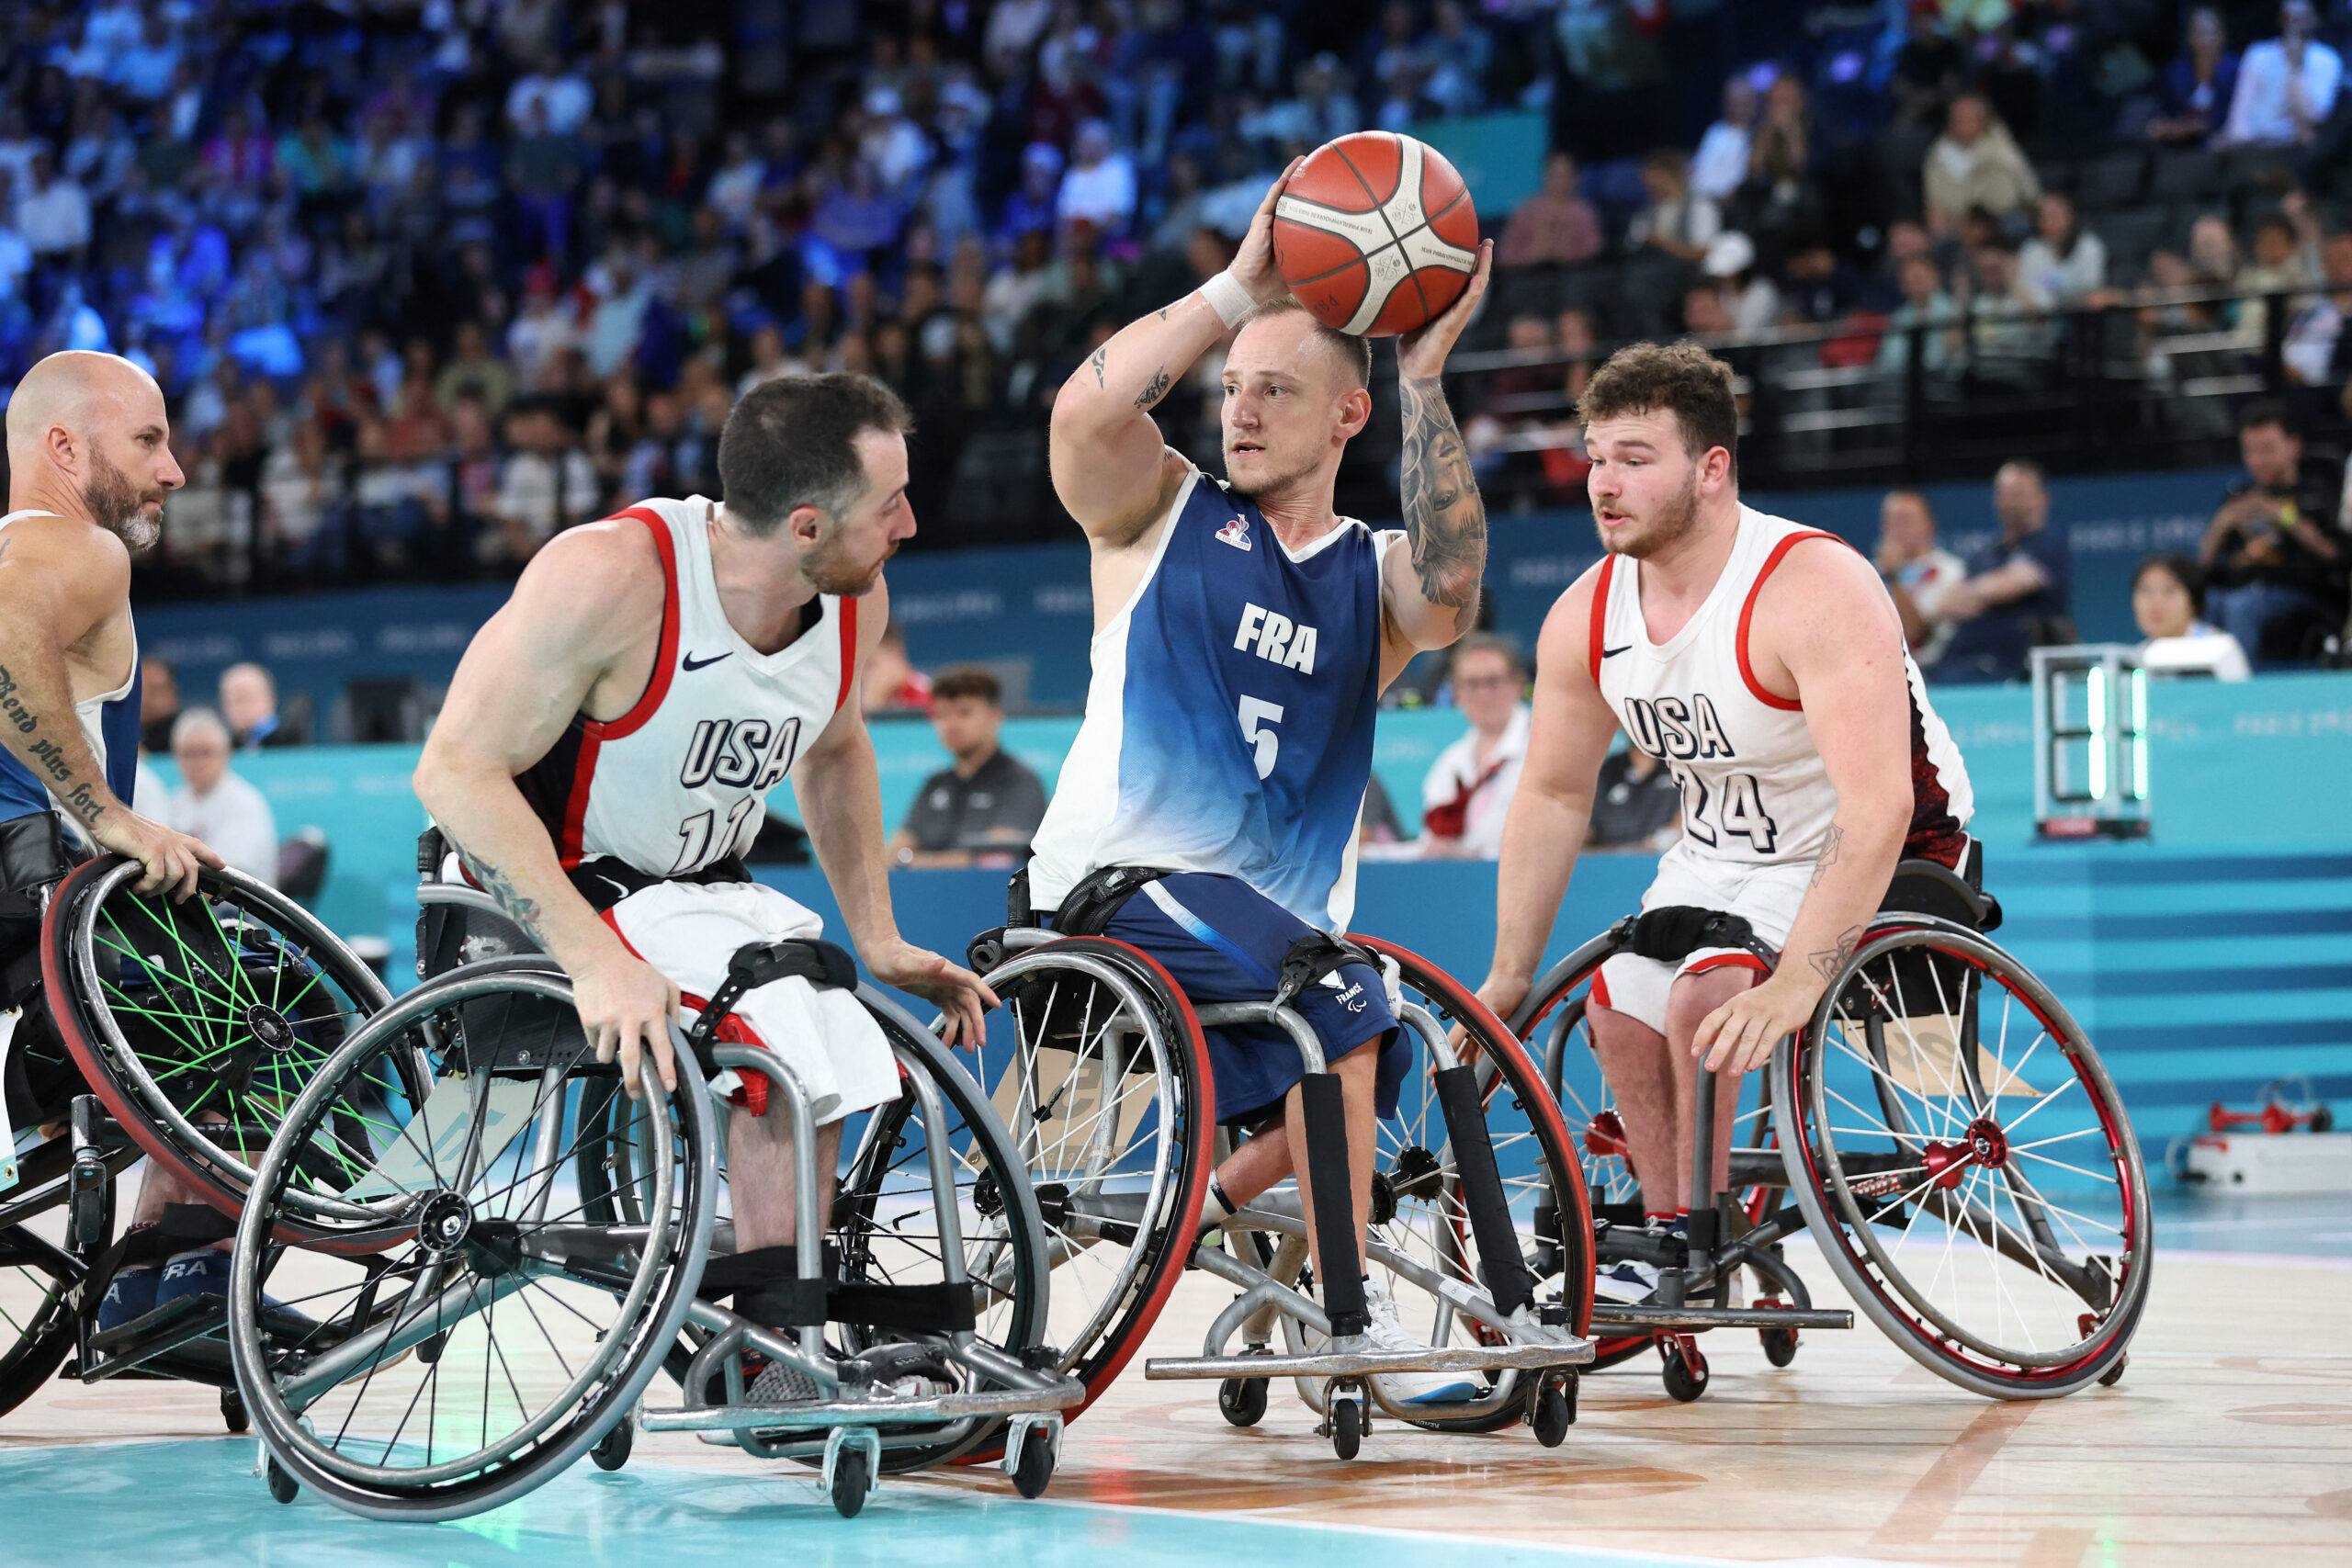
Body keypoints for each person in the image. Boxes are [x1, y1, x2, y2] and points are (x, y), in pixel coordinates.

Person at [413, 374, 995, 1393]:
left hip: (700, 893)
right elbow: (453, 771)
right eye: (890, 502)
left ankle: (793, 1322)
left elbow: (835, 749)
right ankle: (774, 1359)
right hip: (556, 893)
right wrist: (592, 962)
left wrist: (883, 937)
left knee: (835, 1023)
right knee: (768, 1040)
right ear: (806, 525)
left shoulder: (847, 598)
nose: (910, 521)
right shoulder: (611, 577)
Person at [1025, 156, 1497, 1401]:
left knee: (1376, 1036)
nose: (1239, 409)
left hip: (1273, 930)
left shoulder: (1370, 577)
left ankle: (1182, 1219)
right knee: (1340, 996)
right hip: (1119, 890)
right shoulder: (1158, 512)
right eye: (1233, 389)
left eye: (1276, 391)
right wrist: (1237, 289)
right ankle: (1351, 1328)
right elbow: (1082, 419)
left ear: (1348, 417)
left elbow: (1453, 591)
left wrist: (1428, 380)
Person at [1472, 340, 1973, 1299]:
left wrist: (1798, 988)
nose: (1602, 484)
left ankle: (1692, 1236)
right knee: (1617, 1000)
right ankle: (1679, 1240)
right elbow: (1550, 794)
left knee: (1711, 995)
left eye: (1632, 458)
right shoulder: (1586, 614)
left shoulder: (1810, 585)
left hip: (1882, 838)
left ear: (1710, 470)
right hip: (1721, 852)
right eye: (1593, 458)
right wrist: (1507, 975)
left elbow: (1877, 804)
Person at [0, 350, 228, 1330]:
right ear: (63, 447)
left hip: (24, 913)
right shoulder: (72, 548)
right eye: (147, 440)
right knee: (266, 997)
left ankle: (152, 1266)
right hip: (32, 900)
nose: (174, 469)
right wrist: (104, 812)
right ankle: (180, 1279)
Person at [2198, 400, 2343, 663]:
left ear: (2294, 446)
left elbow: (2333, 553)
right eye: (2249, 451)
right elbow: (2205, 564)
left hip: (2301, 593)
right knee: (2200, 602)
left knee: (2243, 607)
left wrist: (2281, 515)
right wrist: (2221, 524)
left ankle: (2242, 697)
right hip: (2239, 588)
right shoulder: (2239, 497)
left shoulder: (2320, 490)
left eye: (2267, 450)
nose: (2257, 460)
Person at [888, 665, 1048, 869]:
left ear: (995, 717)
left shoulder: (1020, 782)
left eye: (965, 713)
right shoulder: (935, 784)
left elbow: (997, 858)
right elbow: (894, 852)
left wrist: (913, 861)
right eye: (942, 714)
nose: (952, 724)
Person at [1930, 460, 2074, 682]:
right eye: (2006, 493)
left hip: (2008, 670)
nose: (2012, 502)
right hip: (1953, 666)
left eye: (2020, 493)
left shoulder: (2049, 548)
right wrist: (1987, 591)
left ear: (2043, 498)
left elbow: (2012, 585)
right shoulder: (1982, 556)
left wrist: (1980, 593)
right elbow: (1945, 605)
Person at [1418, 634, 1527, 859]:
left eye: (1493, 681)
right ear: (1456, 692)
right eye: (1472, 684)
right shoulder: (1451, 761)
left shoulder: (1544, 750)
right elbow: (1430, 837)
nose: (1483, 694)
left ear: (1517, 684)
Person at [162, 707, 278, 883]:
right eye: (188, 754)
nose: (197, 763)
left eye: (205, 753)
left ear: (225, 753)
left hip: (237, 906)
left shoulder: (244, 803)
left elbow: (222, 875)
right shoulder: (175, 801)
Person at [2220, 1, 2340, 148]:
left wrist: (2296, 67)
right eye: (2290, 17)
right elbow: (2240, 112)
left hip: (2296, 148)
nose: (2295, 25)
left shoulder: (2327, 59)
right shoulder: (2258, 54)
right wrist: (2240, 143)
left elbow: (2315, 115)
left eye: (2301, 18)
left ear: (2314, 19)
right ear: (2281, 20)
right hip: (2256, 145)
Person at [1873, 488, 1966, 667]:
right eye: (1891, 521)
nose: (1897, 530)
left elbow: (1915, 635)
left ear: (1929, 525)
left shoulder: (1951, 572)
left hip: (1936, 674)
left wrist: (1894, 577)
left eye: (1905, 521)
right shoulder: (1868, 572)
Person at [1923, 95, 2039, 236]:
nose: (1962, 123)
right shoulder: (1939, 153)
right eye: (1958, 118)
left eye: (1969, 118)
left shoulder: (2002, 150)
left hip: (2003, 225)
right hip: (1956, 227)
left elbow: (2025, 190)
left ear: (1985, 121)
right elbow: (1935, 202)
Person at [2132, 554, 2251, 681]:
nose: (2156, 602)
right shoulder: (2134, 660)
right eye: (2146, 591)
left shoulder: (2219, 649)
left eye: (2169, 591)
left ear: (2193, 602)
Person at [1586, 743, 1680, 852]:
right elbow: (1589, 825)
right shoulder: (1611, 769)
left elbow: (1688, 812)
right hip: (1608, 856)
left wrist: (1665, 839)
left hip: (1661, 854)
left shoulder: (1677, 766)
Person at [220, 661, 299, 749]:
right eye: (232, 701)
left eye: (245, 698)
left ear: (270, 699)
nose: (241, 708)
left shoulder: (294, 742)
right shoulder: (224, 748)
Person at [862, 616, 933, 712]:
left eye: (869, 665)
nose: (863, 675)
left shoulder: (930, 698)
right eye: (858, 666)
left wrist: (872, 705)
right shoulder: (852, 700)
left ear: (895, 655)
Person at [138, 655, 178, 753]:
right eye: (139, 691)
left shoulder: (185, 738)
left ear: (172, 692)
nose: (144, 700)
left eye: (154, 691)